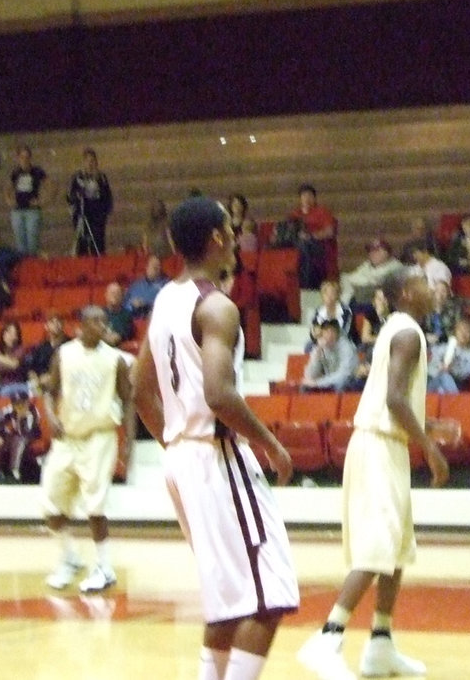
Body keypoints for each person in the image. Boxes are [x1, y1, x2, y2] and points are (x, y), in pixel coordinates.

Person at [132, 196, 299, 680]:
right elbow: (220, 394)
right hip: (217, 456)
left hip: (183, 459)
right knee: (270, 595)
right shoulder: (217, 306)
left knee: (228, 599)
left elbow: (139, 390)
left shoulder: (165, 298)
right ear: (219, 238)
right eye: (230, 228)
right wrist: (271, 443)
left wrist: (177, 444)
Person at [297, 267, 448, 680]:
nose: (431, 287)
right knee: (377, 544)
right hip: (379, 445)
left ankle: (380, 643)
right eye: (421, 282)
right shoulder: (406, 334)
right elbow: (394, 399)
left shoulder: (398, 329)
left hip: (384, 442)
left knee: (396, 548)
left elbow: (394, 401)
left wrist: (429, 428)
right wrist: (431, 449)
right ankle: (328, 637)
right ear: (404, 292)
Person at [39, 306, 133, 593]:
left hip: (99, 437)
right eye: (95, 320)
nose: (102, 325)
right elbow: (48, 390)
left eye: (104, 321)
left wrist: (128, 440)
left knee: (95, 504)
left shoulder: (116, 359)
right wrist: (52, 417)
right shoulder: (64, 354)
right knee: (50, 504)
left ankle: (104, 567)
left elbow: (128, 400)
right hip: (68, 438)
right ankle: (69, 558)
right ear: (81, 324)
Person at [290, 183, 337, 290]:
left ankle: (305, 285)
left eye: (309, 196)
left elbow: (329, 232)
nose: (307, 199)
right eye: (304, 196)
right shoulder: (294, 214)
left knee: (303, 245)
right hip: (297, 244)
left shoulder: (322, 212)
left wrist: (311, 236)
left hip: (318, 246)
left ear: (314, 198)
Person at [67, 147, 113, 256]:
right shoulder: (77, 177)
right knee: (81, 243)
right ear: (83, 162)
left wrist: (105, 212)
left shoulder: (101, 178)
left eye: (92, 161)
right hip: (82, 215)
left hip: (97, 216)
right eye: (88, 161)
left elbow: (107, 196)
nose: (90, 164)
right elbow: (70, 196)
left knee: (97, 243)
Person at [0, 389, 42, 483]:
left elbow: (28, 432)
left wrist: (21, 419)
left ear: (27, 402)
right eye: (16, 404)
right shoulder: (9, 409)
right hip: (15, 435)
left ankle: (14, 470)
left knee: (19, 440)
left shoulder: (33, 412)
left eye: (22, 403)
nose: (19, 406)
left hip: (31, 436)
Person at [7, 145, 47, 255]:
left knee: (32, 242)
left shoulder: (37, 171)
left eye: (27, 157)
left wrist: (43, 200)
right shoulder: (15, 172)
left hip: (32, 210)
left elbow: (52, 185)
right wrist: (9, 200)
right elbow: (7, 188)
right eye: (22, 157)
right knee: (20, 244)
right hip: (18, 210)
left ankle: (33, 265)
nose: (24, 160)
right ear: (18, 158)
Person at [340, 238, 401, 309]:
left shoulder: (395, 266)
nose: (373, 254)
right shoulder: (366, 265)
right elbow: (349, 278)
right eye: (370, 251)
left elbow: (377, 281)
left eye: (377, 251)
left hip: (382, 305)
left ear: (386, 253)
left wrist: (360, 281)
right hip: (359, 301)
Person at [427, 317, 470, 394]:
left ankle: (457, 400)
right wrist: (440, 365)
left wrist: (453, 370)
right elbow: (433, 354)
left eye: (467, 331)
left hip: (459, 383)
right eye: (460, 330)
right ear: (456, 332)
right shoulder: (449, 346)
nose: (463, 334)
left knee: (445, 379)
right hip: (438, 381)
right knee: (440, 376)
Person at [302, 319, 360, 392]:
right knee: (305, 387)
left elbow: (344, 375)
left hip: (349, 381)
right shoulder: (321, 347)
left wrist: (318, 383)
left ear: (334, 332)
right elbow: (309, 376)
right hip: (329, 382)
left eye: (329, 331)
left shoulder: (346, 347)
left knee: (341, 385)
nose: (326, 334)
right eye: (324, 331)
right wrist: (316, 355)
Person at [23, 311, 69, 390]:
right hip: (41, 384)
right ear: (46, 326)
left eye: (58, 321)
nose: (56, 324)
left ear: (62, 325)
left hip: (62, 383)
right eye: (52, 322)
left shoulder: (70, 345)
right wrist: (37, 380)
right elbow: (32, 369)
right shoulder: (42, 347)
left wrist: (52, 377)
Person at [306, 279, 353, 349]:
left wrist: (326, 334)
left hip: (342, 341)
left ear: (338, 295)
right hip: (323, 340)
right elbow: (314, 330)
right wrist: (315, 333)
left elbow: (345, 331)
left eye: (332, 293)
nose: (329, 296)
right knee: (309, 346)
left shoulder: (346, 311)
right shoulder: (319, 311)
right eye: (326, 293)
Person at [102, 282, 136, 347]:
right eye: (112, 293)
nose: (114, 296)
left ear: (122, 297)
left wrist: (101, 337)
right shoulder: (99, 313)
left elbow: (117, 337)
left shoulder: (127, 315)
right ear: (106, 295)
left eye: (117, 294)